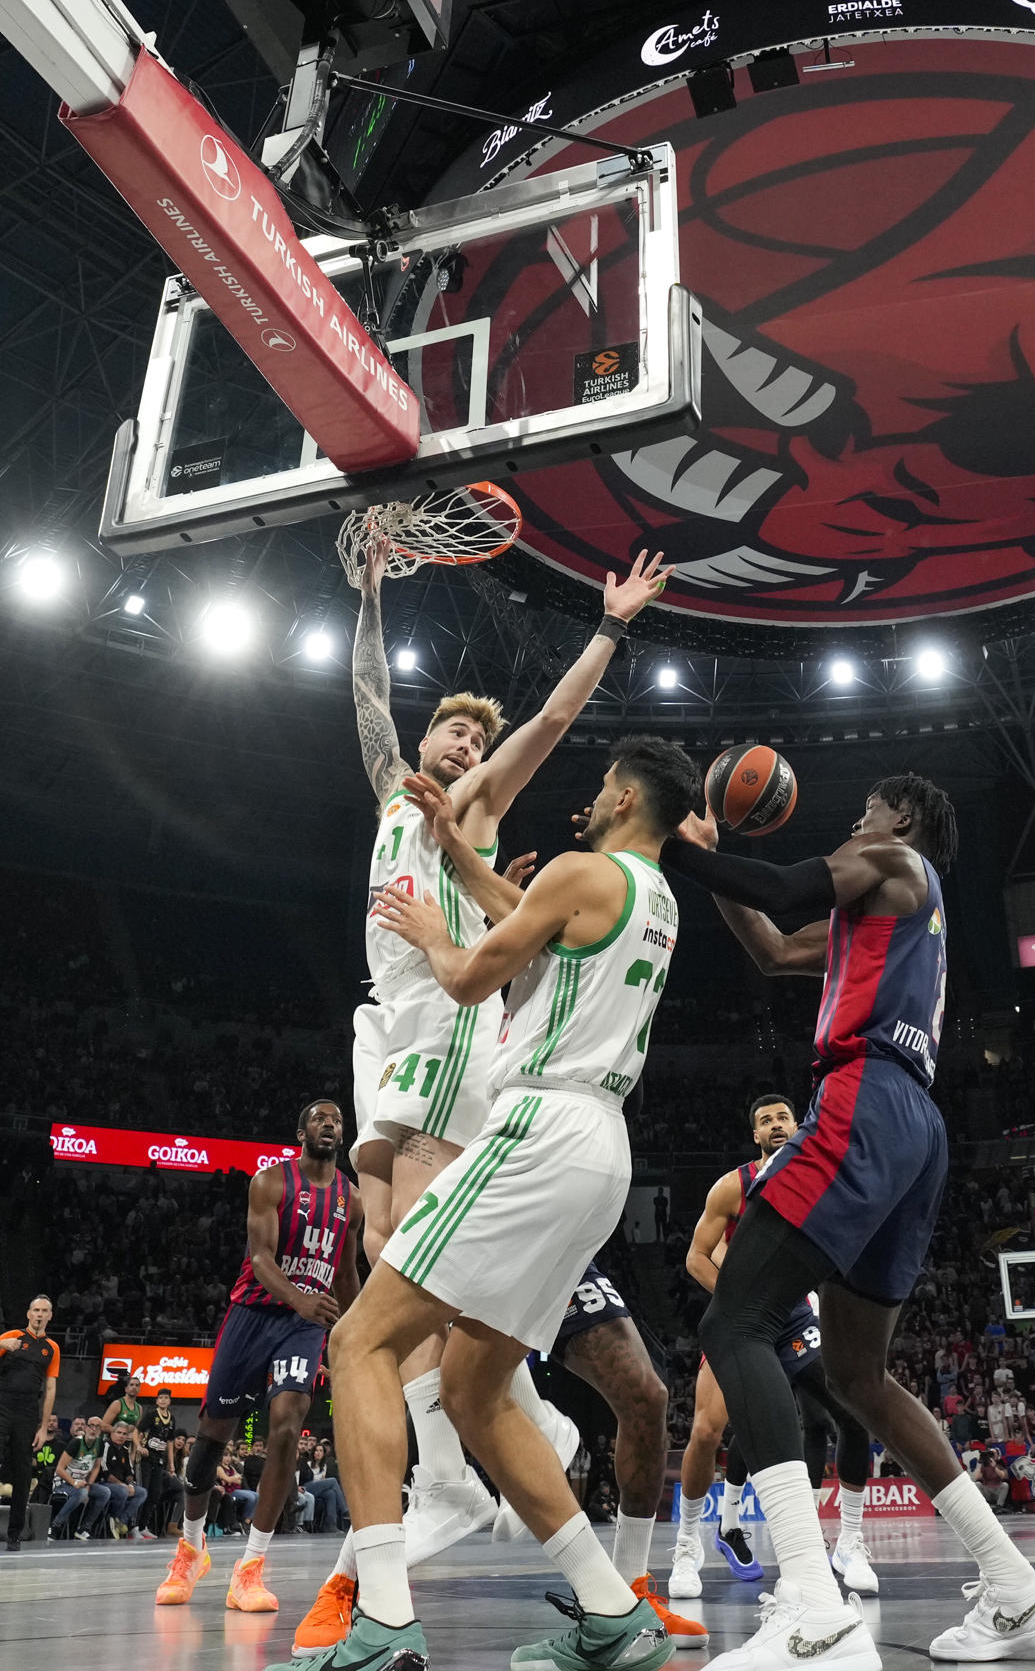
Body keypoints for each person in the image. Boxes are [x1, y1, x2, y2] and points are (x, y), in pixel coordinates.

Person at [266, 737, 699, 1671]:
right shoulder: (655, 900)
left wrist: (431, 932)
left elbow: (469, 976)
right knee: (469, 1386)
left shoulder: (585, 869)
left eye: (597, 789)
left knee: (361, 1340)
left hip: (536, 1129)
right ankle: (612, 1612)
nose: (587, 799)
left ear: (624, 796)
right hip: (602, 1154)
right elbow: (535, 916)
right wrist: (461, 859)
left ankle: (381, 1618)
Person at [659, 773, 1035, 1665]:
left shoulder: (891, 861)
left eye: (866, 809)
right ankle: (1013, 1584)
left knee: (738, 1319)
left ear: (904, 819)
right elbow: (773, 944)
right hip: (914, 1126)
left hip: (865, 1098)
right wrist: (709, 860)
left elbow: (778, 886)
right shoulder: (893, 917)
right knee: (859, 1376)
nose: (854, 824)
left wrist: (671, 846)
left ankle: (812, 1605)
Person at [347, 540, 669, 1569]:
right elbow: (364, 696)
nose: (455, 742)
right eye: (445, 725)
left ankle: (448, 1474)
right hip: (395, 1026)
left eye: (467, 737)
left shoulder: (473, 806)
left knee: (407, 1261)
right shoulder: (395, 799)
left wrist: (609, 629)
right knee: (386, 1249)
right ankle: (514, 1427)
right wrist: (366, 598)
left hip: (452, 1028)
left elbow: (552, 720)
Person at [669, 1096, 876, 1603]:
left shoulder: (820, 1178)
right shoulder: (733, 1186)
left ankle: (850, 1541)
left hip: (796, 1316)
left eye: (783, 1117)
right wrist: (739, 1299)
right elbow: (697, 1256)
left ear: (798, 1125)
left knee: (852, 1414)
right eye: (765, 1121)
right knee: (706, 1430)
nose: (776, 1125)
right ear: (756, 1136)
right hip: (742, 1316)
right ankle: (687, 1545)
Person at [155, 1101, 360, 1611]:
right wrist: (302, 1298)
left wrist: (355, 1332)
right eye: (319, 1118)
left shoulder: (351, 1200)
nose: (329, 1123)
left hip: (303, 1325)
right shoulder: (270, 1182)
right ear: (301, 1131)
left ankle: (250, 1568)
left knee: (288, 1426)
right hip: (255, 1313)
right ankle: (192, 1548)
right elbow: (261, 1260)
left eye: (336, 1118)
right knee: (212, 1436)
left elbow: (347, 1274)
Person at [0, 1293, 59, 1551]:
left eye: (44, 1310)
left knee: (24, 1472)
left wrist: (44, 1427)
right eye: (35, 1309)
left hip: (27, 1413)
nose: (39, 1314)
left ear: (49, 1316)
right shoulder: (11, 1336)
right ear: (28, 1313)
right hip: (2, 1405)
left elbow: (50, 1388)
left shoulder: (52, 1348)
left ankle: (15, 1534)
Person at [49, 1417, 109, 1541]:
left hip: (82, 1482)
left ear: (100, 1430)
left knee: (104, 1492)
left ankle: (84, 1528)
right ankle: (55, 1526)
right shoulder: (76, 1443)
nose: (93, 1429)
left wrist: (88, 1484)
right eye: (91, 1425)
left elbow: (96, 1467)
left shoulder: (100, 1444)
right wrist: (74, 1482)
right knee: (81, 1494)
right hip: (64, 1482)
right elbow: (59, 1469)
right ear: (86, 1427)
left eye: (97, 1427)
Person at [139, 1387, 178, 1535]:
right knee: (145, 1490)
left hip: (159, 1461)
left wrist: (172, 1464)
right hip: (147, 1459)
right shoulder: (151, 1415)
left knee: (155, 1493)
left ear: (169, 1401)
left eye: (166, 1398)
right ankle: (136, 1526)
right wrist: (138, 1446)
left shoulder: (172, 1419)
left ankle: (144, 1526)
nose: (163, 1400)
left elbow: (169, 1443)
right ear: (156, 1400)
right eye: (160, 1397)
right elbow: (138, 1432)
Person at [102, 1422, 149, 1537]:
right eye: (118, 1433)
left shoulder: (124, 1449)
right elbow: (104, 1471)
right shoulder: (106, 1446)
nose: (121, 1436)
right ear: (112, 1433)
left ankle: (120, 1521)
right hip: (106, 1483)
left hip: (122, 1484)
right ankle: (113, 1518)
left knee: (142, 1492)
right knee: (123, 1491)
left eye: (124, 1434)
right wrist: (121, 1484)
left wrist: (130, 1484)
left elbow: (129, 1472)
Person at [102, 1373, 146, 1457]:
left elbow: (137, 1431)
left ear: (139, 1389)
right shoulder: (117, 1404)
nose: (134, 1387)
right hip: (111, 1445)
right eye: (131, 1385)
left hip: (127, 1447)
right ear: (126, 1389)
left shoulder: (139, 1408)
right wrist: (123, 1431)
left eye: (137, 1385)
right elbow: (103, 1426)